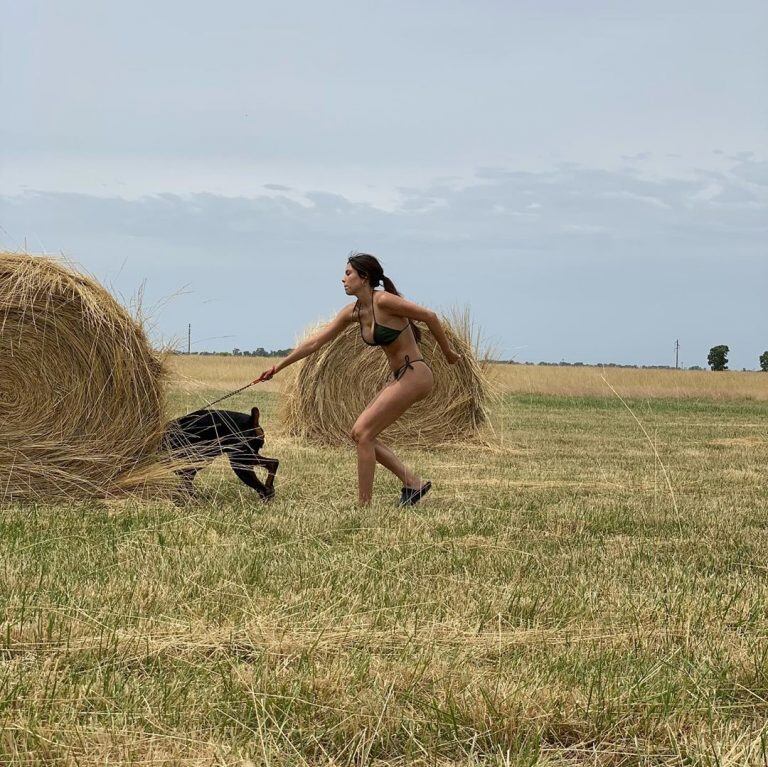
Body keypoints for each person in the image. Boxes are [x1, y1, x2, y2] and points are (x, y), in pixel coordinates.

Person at [258, 252, 461, 507]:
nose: (343, 279)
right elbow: (315, 342)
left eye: (348, 273)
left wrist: (448, 353)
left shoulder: (385, 301)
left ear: (364, 277)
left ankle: (364, 507)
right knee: (359, 433)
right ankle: (413, 483)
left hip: (415, 374)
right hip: (400, 376)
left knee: (363, 433)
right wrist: (278, 367)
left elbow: (429, 316)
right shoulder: (353, 312)